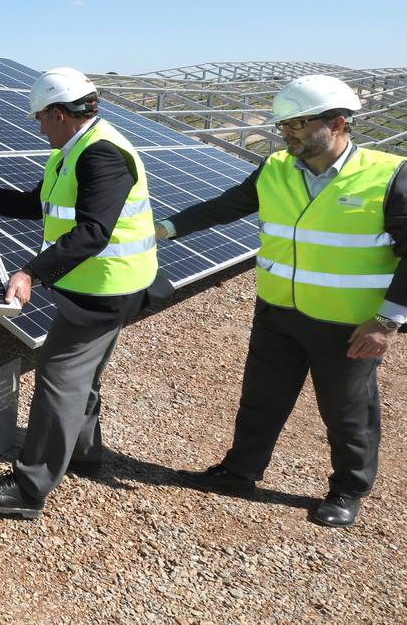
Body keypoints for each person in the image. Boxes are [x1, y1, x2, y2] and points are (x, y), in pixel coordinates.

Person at [162, 74, 405, 528]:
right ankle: (240, 471)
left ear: (336, 122)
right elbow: (226, 205)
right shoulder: (275, 168)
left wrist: (387, 322)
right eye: (283, 125)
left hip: (349, 323)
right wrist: (165, 230)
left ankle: (348, 489)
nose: (286, 132)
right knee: (261, 399)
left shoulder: (389, 175)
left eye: (296, 123)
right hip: (278, 312)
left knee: (348, 411)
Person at [0, 67, 163, 519]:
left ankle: (29, 489)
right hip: (105, 283)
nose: (38, 126)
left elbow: (93, 231)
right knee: (82, 375)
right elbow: (41, 203)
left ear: (57, 113)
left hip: (106, 287)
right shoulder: (72, 150)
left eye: (39, 118)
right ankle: (85, 453)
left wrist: (31, 272)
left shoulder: (100, 154)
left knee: (58, 377)